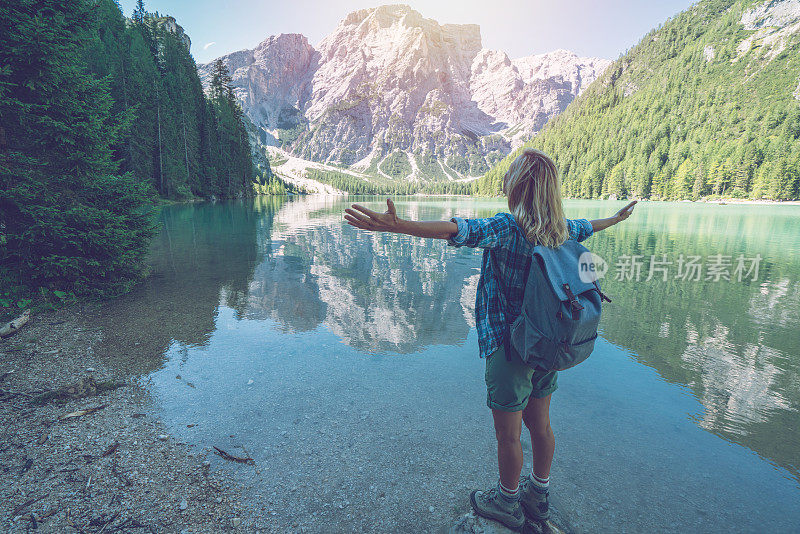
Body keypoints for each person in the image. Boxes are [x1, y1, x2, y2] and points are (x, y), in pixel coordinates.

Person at [344, 148, 636, 530]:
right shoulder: (561, 229)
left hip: (511, 346)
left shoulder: (506, 227)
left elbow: (459, 229)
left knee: (508, 434)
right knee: (542, 427)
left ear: (517, 187)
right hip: (550, 345)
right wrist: (615, 218)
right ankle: (539, 496)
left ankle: (507, 502)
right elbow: (588, 226)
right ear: (551, 191)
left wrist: (400, 226)